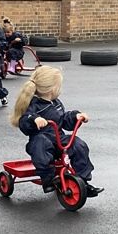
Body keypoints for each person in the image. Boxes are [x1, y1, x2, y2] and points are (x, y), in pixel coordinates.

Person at [10, 66, 102, 196]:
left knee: (78, 144)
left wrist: (75, 116)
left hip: (58, 140)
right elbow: (24, 121)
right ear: (52, 89)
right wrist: (35, 119)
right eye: (59, 86)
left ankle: (83, 180)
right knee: (41, 143)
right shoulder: (33, 105)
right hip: (40, 141)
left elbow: (63, 120)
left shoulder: (56, 103)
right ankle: (48, 179)